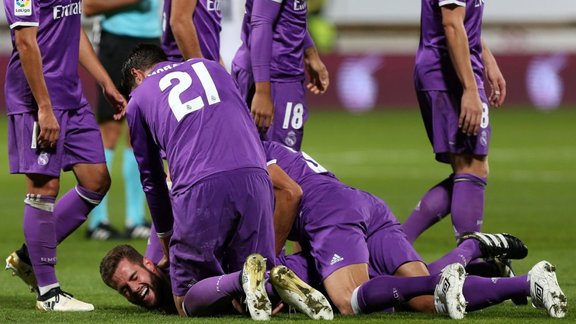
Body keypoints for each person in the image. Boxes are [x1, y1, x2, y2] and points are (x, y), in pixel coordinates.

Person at [120, 43, 276, 316]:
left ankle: (242, 278)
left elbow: (152, 180)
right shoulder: (213, 66)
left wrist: (167, 242)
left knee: (186, 302)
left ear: (137, 75)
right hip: (256, 176)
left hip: (200, 186)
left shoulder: (138, 100)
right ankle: (275, 283)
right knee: (253, 286)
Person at [3, 0, 126, 312]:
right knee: (44, 187)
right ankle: (48, 294)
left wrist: (105, 81)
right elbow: (25, 42)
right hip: (37, 98)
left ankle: (29, 258)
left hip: (71, 95)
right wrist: (44, 108)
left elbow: (72, 30)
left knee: (96, 179)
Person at [402, 0, 507, 244]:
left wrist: (487, 59)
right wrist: (469, 89)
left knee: (469, 170)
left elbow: (462, 22)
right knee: (472, 167)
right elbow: (450, 24)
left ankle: (396, 243)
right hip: (448, 75)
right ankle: (468, 257)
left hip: (453, 71)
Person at [82, 0, 162, 240]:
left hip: (152, 42)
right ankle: (98, 221)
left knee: (141, 131)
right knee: (110, 129)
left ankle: (136, 219)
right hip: (116, 41)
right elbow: (88, 6)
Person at [99, 245, 333, 319]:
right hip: (290, 275)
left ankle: (246, 280)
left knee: (187, 305)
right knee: (346, 302)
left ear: (149, 264)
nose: (134, 289)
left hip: (288, 263)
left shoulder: (175, 258)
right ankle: (277, 288)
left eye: (133, 278)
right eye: (124, 291)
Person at [232, 0, 329, 150]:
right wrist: (263, 92)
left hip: (268, 72)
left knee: (252, 155)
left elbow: (289, 15)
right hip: (275, 76)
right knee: (282, 158)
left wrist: (310, 52)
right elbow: (261, 22)